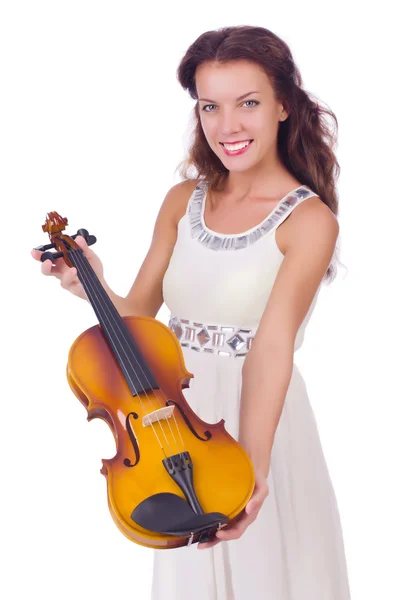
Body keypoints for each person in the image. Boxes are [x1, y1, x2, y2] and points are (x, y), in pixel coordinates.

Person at [32, 24, 351, 600]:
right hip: (175, 420)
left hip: (260, 416)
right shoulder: (184, 201)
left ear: (283, 104)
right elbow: (143, 327)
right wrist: (90, 284)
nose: (227, 126)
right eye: (210, 106)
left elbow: (272, 347)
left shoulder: (309, 222)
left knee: (270, 577)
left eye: (247, 103)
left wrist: (251, 467)